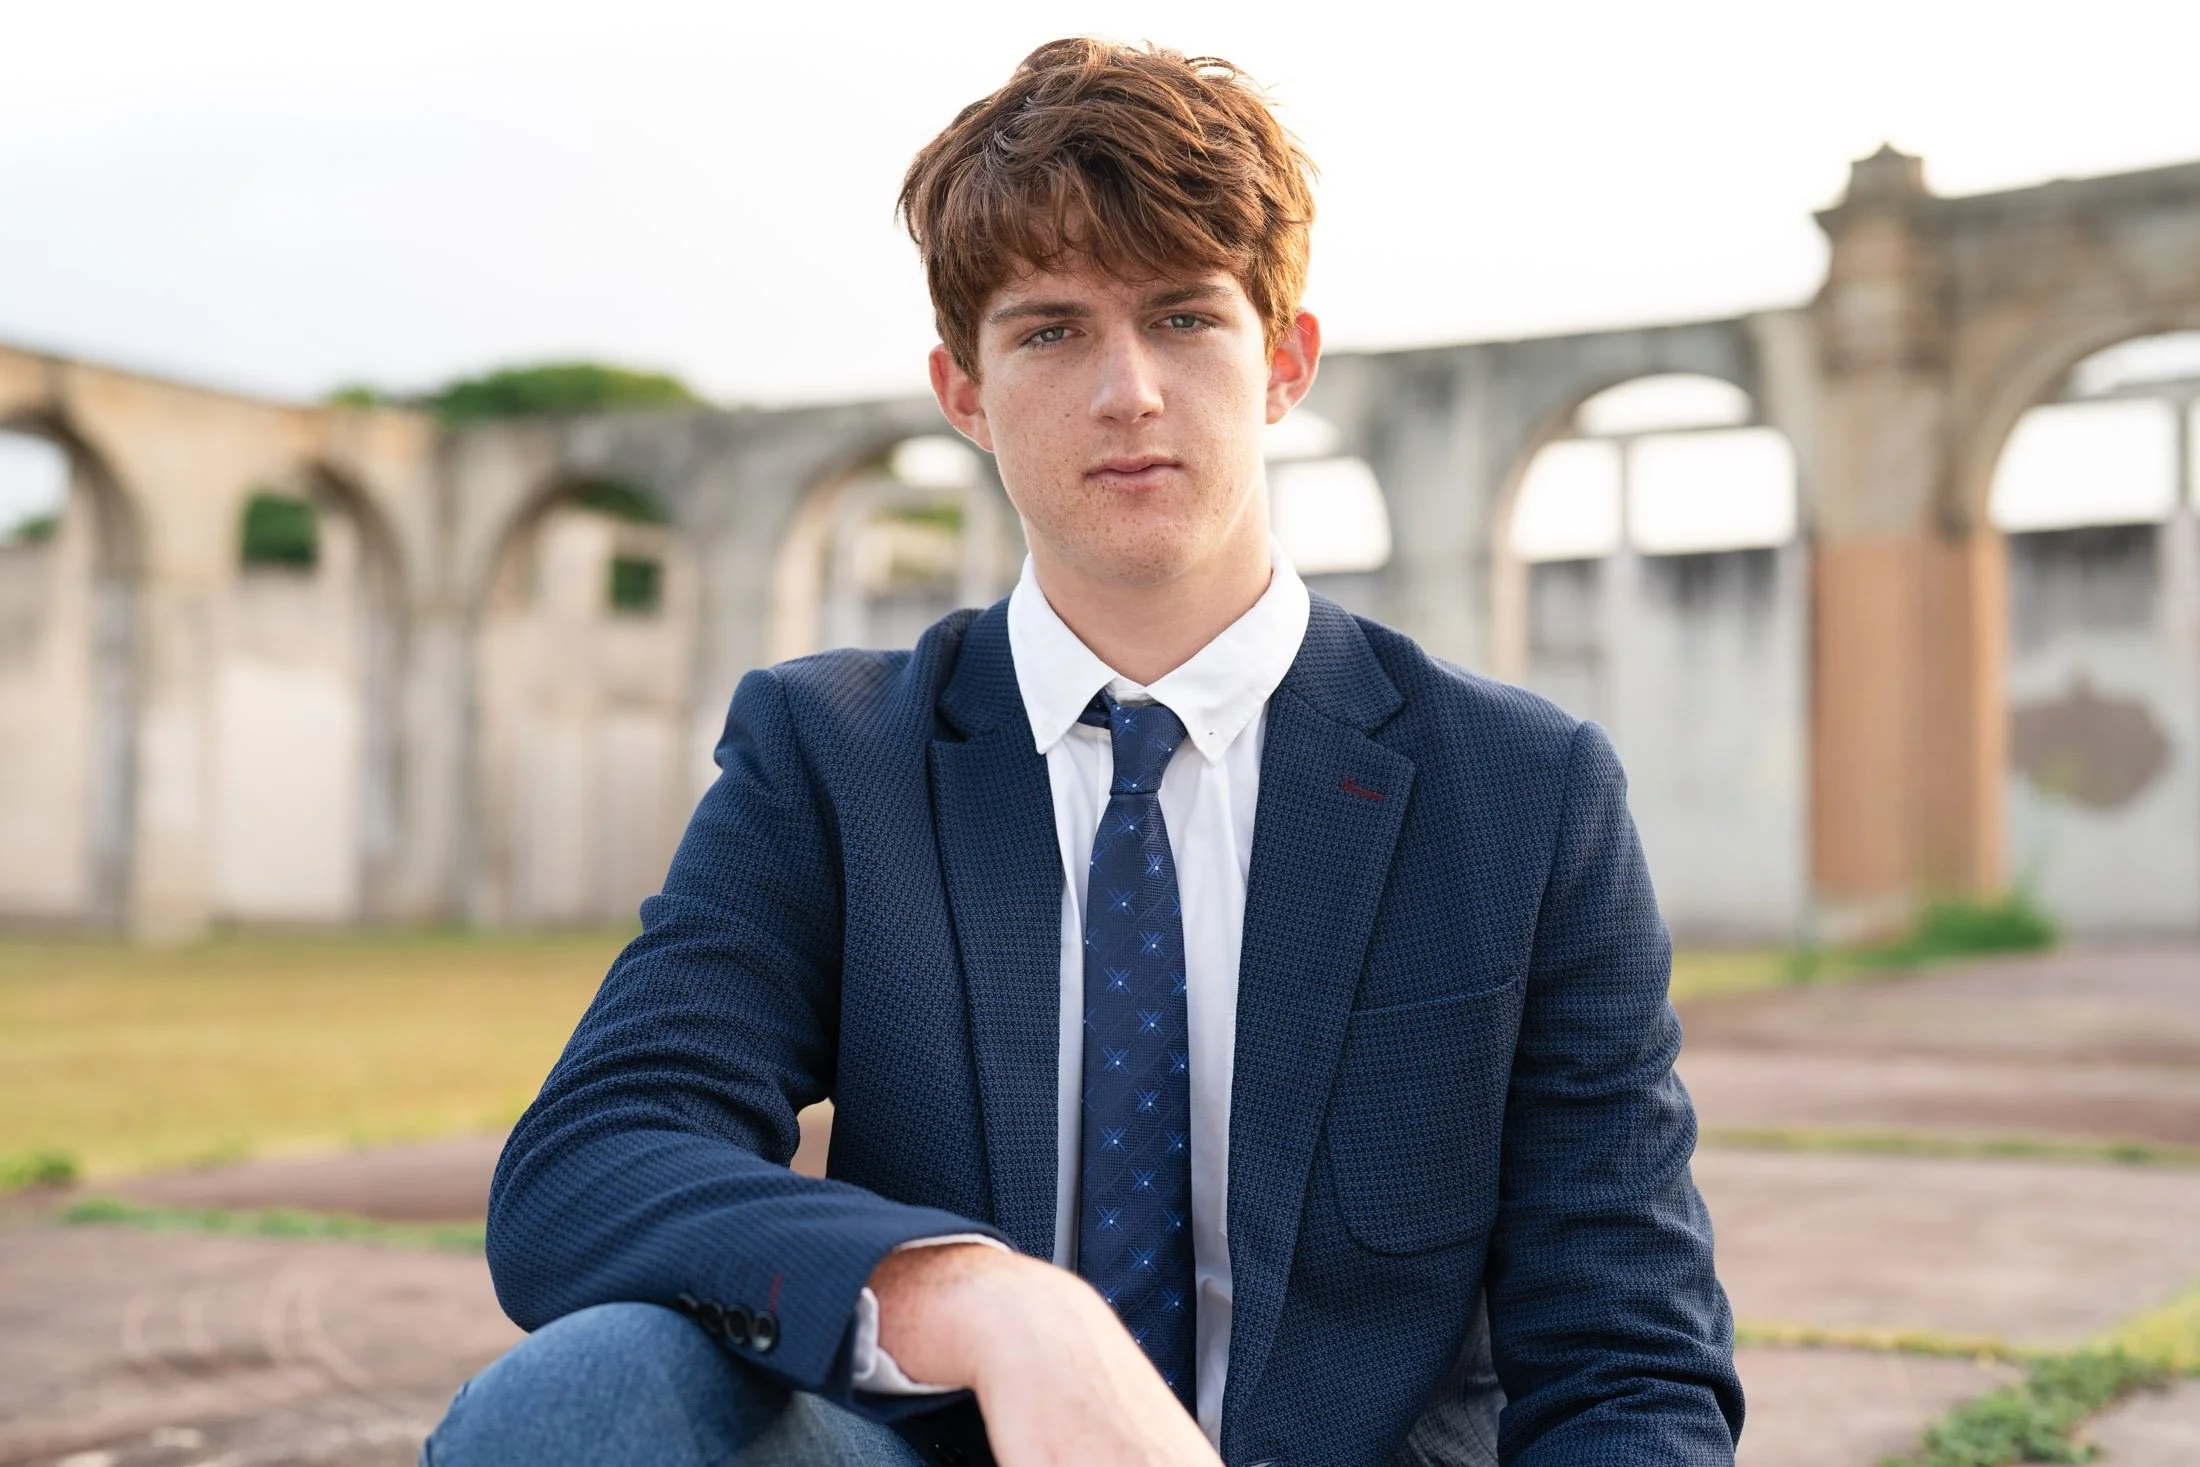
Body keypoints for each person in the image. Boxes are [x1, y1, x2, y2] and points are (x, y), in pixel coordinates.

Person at [423, 36, 1743, 1467]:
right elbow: (591, 1162)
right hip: (944, 1447)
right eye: (1051, 331)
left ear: (1285, 361)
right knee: (583, 1399)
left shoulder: (1522, 793)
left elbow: (1627, 1361)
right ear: (965, 392)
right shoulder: (835, 756)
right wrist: (987, 1300)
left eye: (1184, 318)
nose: (1127, 391)